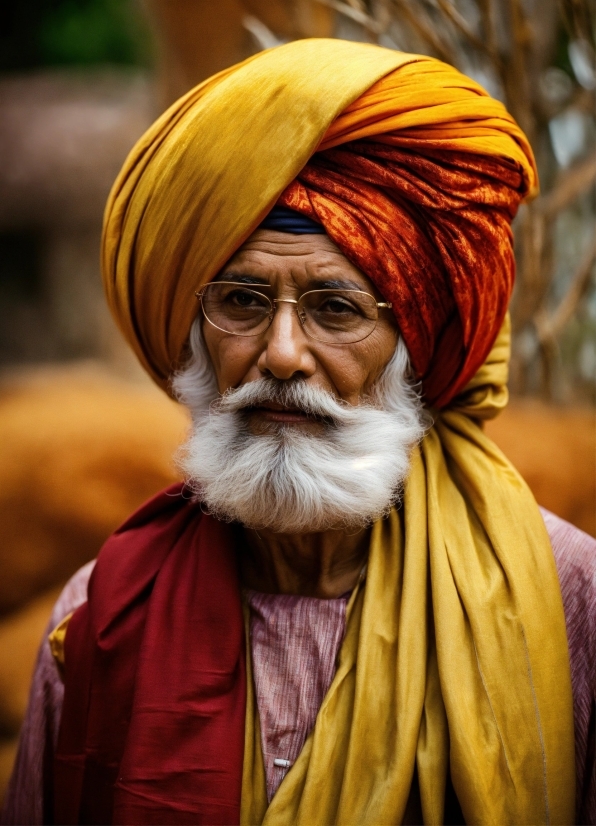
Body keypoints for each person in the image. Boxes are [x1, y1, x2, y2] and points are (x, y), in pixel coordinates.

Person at [3, 38, 596, 826]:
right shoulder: (103, 614)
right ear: (193, 338)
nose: (281, 355)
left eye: (337, 309)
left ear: (416, 351)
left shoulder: (568, 601)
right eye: (242, 302)